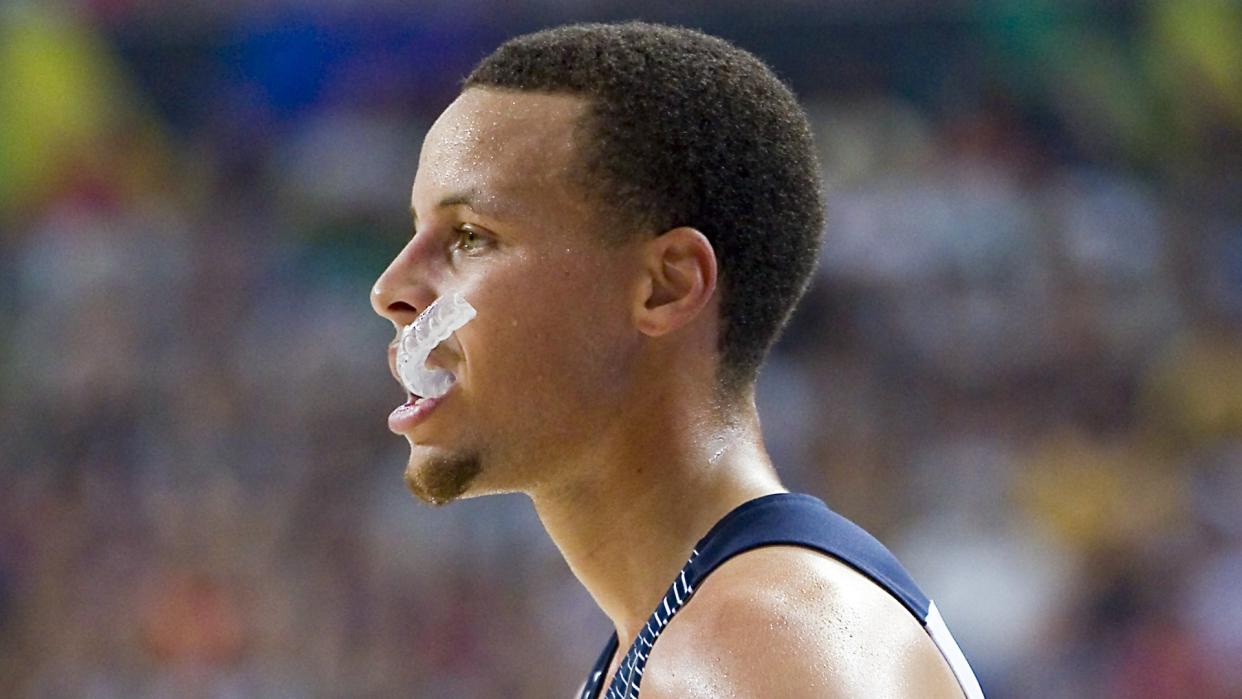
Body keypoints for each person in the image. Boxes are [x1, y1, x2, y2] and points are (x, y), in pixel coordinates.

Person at [370, 21, 983, 698]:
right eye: (415, 230)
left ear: (667, 285)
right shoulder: (694, 627)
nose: (391, 289)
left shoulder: (756, 637)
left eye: (470, 237)